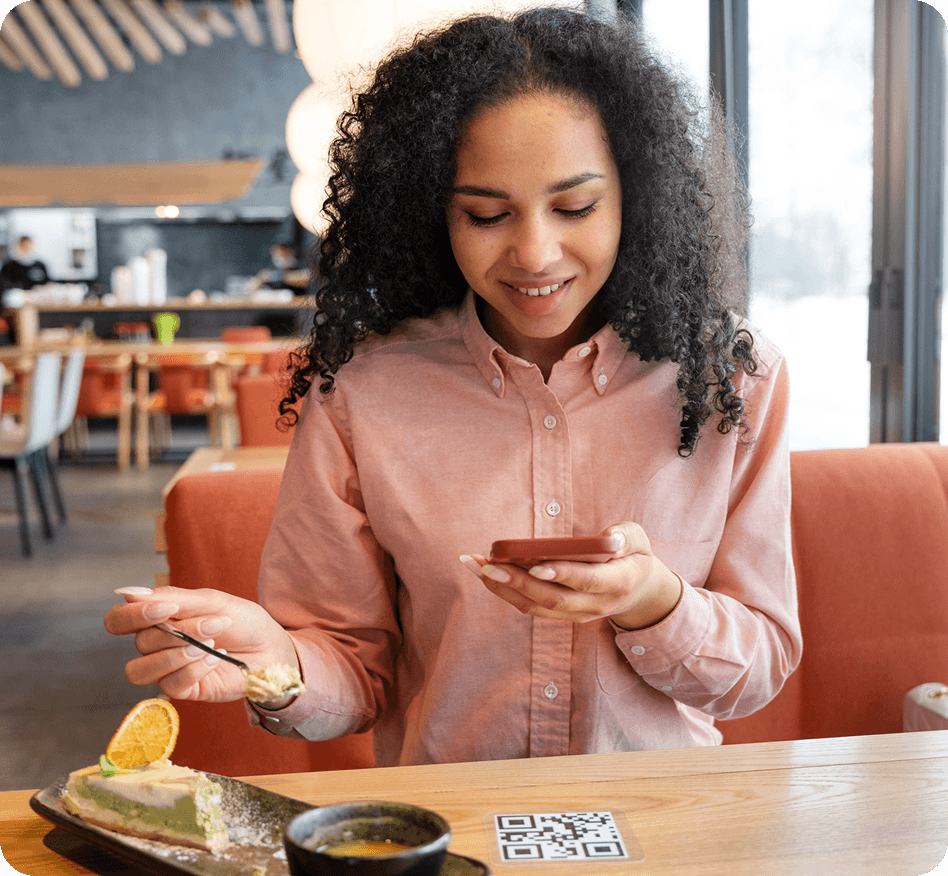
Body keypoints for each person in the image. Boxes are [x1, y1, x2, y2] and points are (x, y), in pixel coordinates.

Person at [107, 7, 801, 766]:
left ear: (639, 194)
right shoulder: (364, 391)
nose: (535, 253)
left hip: (660, 820)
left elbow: (759, 665)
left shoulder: (733, 377)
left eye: (575, 207)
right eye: (486, 213)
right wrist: (275, 659)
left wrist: (654, 604)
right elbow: (353, 671)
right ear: (432, 212)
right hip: (449, 827)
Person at [246, 242, 311, 295]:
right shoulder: (271, 268)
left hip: (297, 303)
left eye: (283, 253)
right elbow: (251, 287)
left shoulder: (300, 265)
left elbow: (304, 280)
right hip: (275, 305)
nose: (281, 256)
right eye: (277, 253)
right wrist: (260, 280)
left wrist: (275, 276)